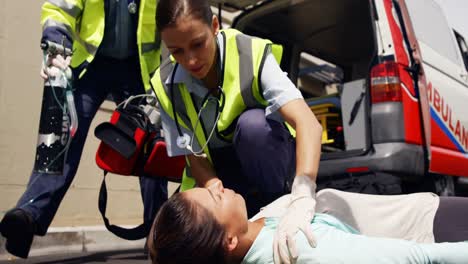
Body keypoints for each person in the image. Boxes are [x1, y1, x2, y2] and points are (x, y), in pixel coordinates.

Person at [151, 1, 322, 263]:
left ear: (215, 27)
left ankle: (277, 208)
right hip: (220, 177)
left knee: (253, 127)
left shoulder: (249, 52)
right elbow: (193, 155)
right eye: (177, 51)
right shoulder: (165, 85)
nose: (190, 60)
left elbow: (307, 123)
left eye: (198, 44)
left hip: (267, 164)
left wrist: (303, 194)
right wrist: (211, 186)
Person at [0, 0, 167, 258]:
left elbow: (175, 16)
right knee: (62, 137)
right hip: (91, 66)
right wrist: (56, 46)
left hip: (138, 69)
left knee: (150, 148)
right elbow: (59, 10)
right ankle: (28, 217)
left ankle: (161, 235)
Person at [149, 183, 468, 264]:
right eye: (214, 197)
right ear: (228, 241)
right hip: (432, 229)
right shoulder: (300, 249)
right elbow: (421, 258)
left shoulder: (252, 235)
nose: (217, 186)